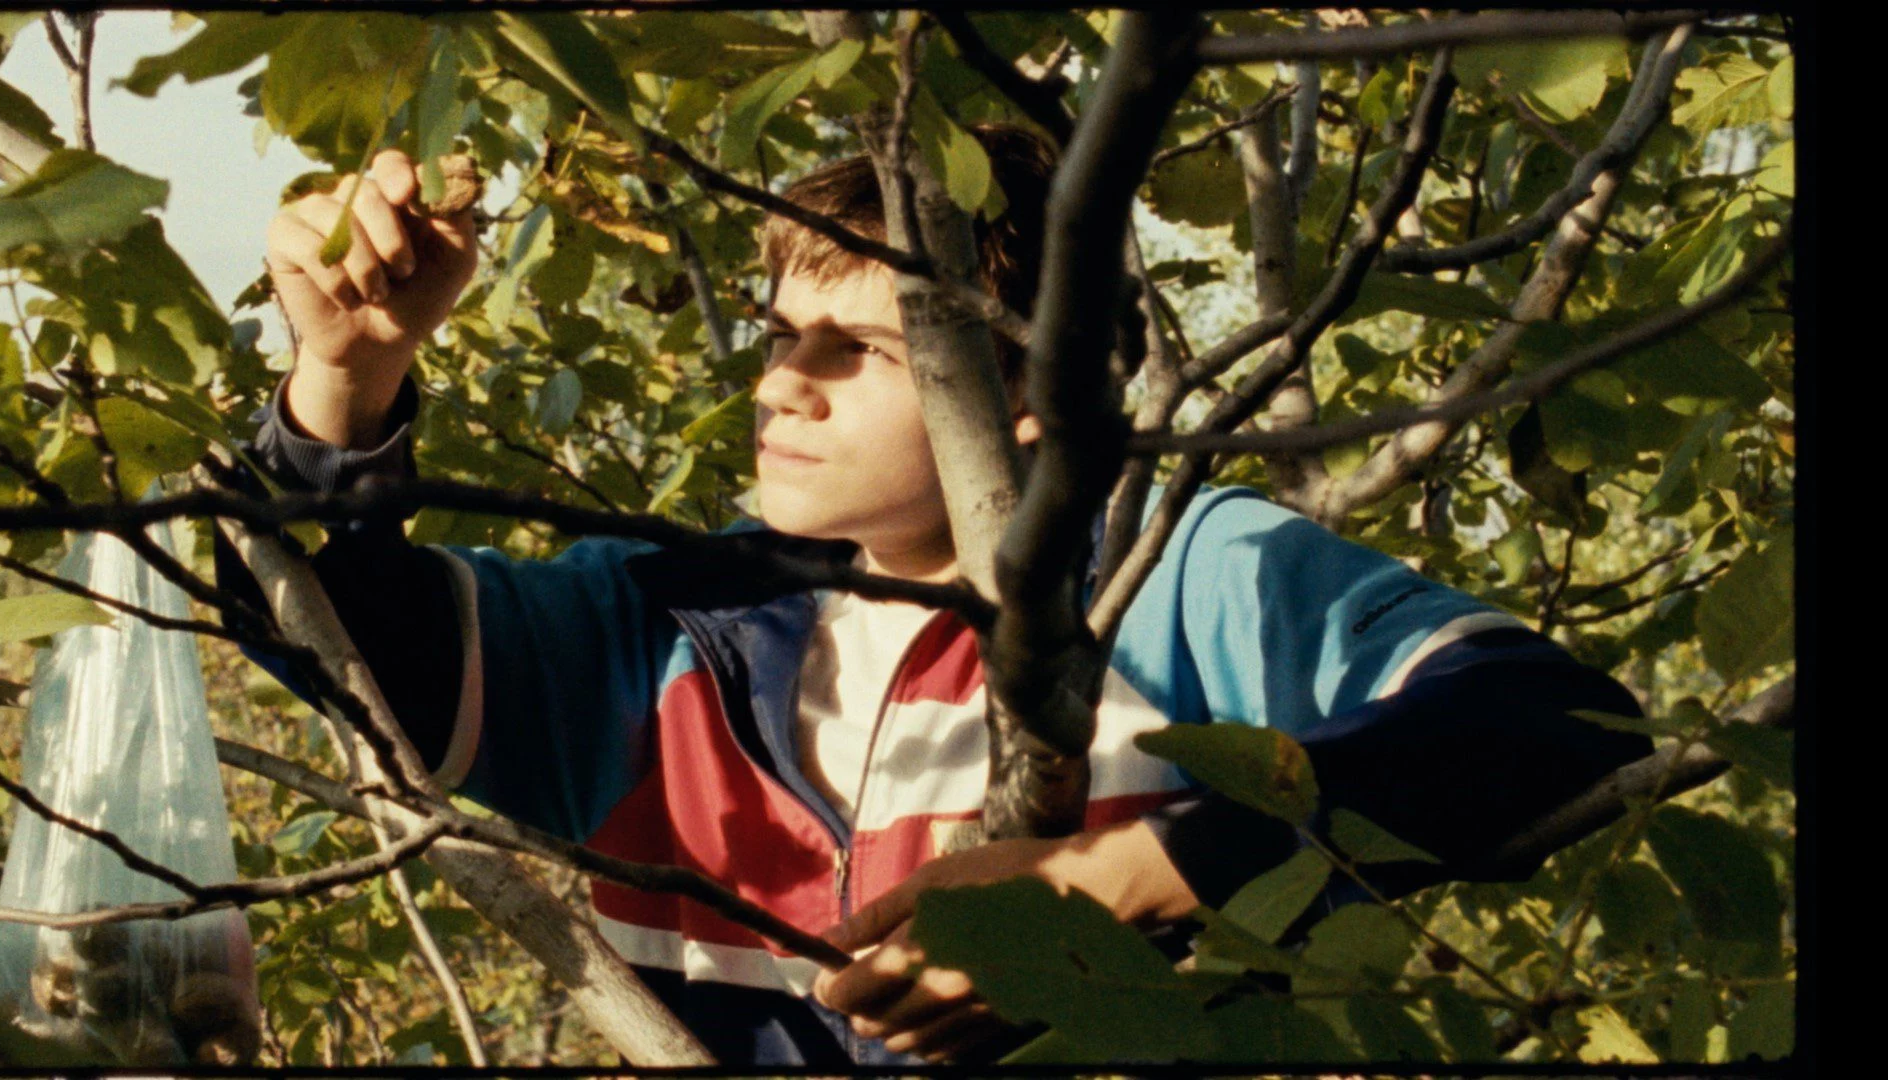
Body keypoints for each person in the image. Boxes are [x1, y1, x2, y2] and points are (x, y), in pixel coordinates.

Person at [217, 129, 1651, 1066]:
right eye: (781, 336)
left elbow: (1560, 723)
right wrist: (345, 377)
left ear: (1030, 385)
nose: (783, 385)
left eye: (856, 350)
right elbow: (315, 630)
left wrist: (1122, 880)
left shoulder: (1179, 577)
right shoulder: (660, 629)